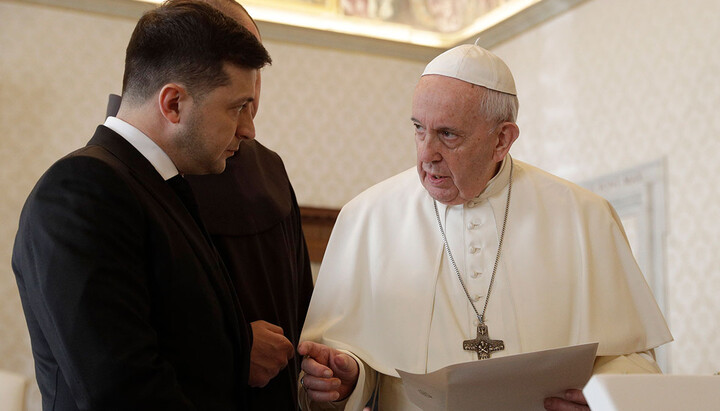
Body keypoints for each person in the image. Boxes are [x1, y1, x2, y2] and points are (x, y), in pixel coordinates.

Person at [297, 42, 673, 410]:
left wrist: (601, 397)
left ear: (502, 139)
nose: (427, 154)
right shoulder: (367, 218)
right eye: (418, 129)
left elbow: (632, 359)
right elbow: (339, 364)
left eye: (448, 134)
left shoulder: (583, 216)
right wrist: (346, 380)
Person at [11, 1, 271, 409]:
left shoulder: (160, 186)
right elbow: (121, 390)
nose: (248, 129)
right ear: (173, 104)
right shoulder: (81, 190)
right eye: (237, 107)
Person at [106, 2, 313, 409]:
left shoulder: (267, 168)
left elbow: (302, 298)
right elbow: (119, 361)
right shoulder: (111, 184)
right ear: (174, 102)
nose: (247, 127)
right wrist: (237, 350)